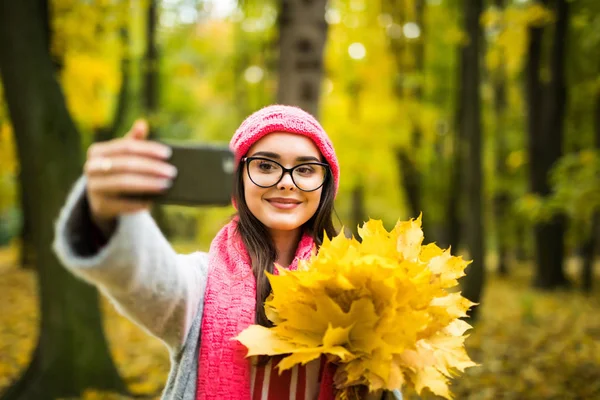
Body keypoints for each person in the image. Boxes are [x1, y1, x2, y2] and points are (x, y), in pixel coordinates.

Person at [53, 105, 401, 400]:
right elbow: (144, 278)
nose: (286, 181)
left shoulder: (359, 287)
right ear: (239, 177)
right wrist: (108, 213)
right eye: (265, 165)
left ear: (325, 184)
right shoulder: (199, 284)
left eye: (306, 169)